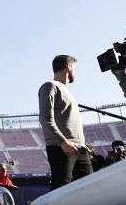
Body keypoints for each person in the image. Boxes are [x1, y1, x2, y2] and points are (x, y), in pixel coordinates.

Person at [38, 55, 92, 191]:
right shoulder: (50, 86)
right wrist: (63, 142)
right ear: (68, 67)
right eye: (74, 68)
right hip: (61, 146)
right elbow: (45, 118)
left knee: (90, 187)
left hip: (79, 147)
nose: (75, 72)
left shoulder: (67, 91)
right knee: (61, 188)